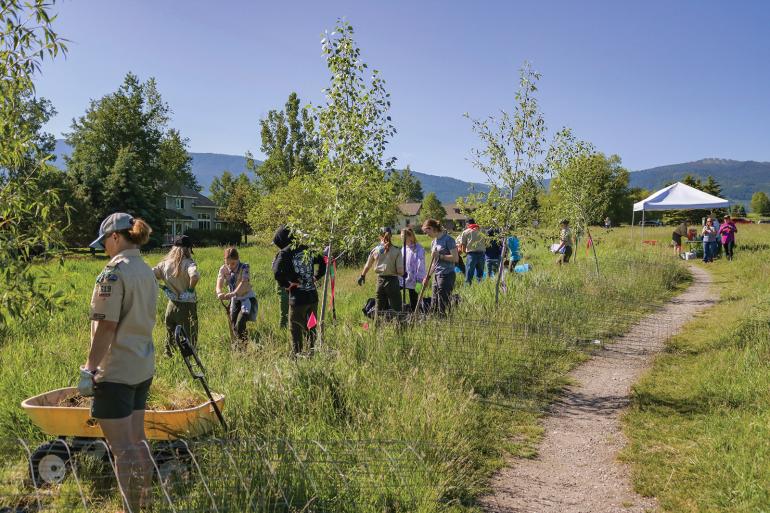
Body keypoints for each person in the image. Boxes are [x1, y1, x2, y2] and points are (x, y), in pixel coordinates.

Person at [78, 213, 156, 512]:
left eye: (105, 243)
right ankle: (144, 502)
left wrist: (89, 368)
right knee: (138, 440)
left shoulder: (114, 273)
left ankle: (130, 507)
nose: (105, 250)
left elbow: (105, 327)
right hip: (141, 365)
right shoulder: (145, 269)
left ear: (115, 237)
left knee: (121, 449)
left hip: (116, 371)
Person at [272, 226, 326, 355]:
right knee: (311, 325)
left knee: (295, 328)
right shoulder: (308, 249)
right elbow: (324, 262)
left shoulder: (285, 252)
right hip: (312, 297)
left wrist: (286, 284)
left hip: (297, 300)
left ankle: (297, 356)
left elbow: (276, 272)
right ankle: (312, 352)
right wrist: (316, 277)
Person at [153, 235, 200, 356]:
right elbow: (194, 276)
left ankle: (169, 358)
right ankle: (189, 361)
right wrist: (189, 290)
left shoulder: (164, 264)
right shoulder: (189, 263)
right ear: (188, 249)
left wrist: (163, 287)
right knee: (189, 336)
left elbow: (149, 275)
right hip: (187, 305)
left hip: (171, 306)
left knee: (170, 336)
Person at [358, 227, 404, 321]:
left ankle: (376, 329)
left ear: (380, 236)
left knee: (379, 310)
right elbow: (400, 271)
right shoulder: (396, 250)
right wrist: (403, 273)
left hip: (380, 282)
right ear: (391, 236)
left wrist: (362, 276)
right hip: (392, 282)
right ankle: (400, 330)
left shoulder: (375, 250)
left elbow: (367, 265)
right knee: (397, 309)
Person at [216, 247, 257, 346]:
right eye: (227, 263)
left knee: (240, 323)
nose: (230, 266)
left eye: (233, 263)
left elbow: (244, 282)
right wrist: (219, 292)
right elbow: (219, 282)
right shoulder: (223, 269)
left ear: (238, 259)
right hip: (235, 301)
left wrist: (234, 293)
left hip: (247, 299)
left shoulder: (245, 267)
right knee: (234, 325)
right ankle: (239, 347)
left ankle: (244, 347)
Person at [421, 219, 459, 315]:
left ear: (432, 228)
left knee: (443, 302)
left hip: (446, 275)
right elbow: (434, 262)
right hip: (436, 275)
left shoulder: (449, 240)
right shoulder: (433, 242)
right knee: (434, 302)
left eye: (427, 232)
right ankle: (435, 322)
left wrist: (440, 256)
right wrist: (427, 277)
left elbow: (455, 258)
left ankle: (444, 322)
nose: (427, 235)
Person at [400, 227, 427, 310]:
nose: (402, 239)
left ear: (411, 236)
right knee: (394, 292)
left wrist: (420, 280)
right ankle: (401, 310)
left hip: (416, 280)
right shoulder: (403, 248)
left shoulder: (419, 249)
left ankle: (415, 316)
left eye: (404, 237)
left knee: (414, 300)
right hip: (404, 278)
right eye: (401, 237)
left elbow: (421, 265)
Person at [458, 218, 485, 284]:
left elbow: (462, 245)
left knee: (469, 274)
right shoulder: (482, 231)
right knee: (480, 274)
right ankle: (480, 287)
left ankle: (468, 288)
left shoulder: (466, 232)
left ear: (467, 224)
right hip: (482, 254)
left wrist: (465, 252)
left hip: (471, 254)